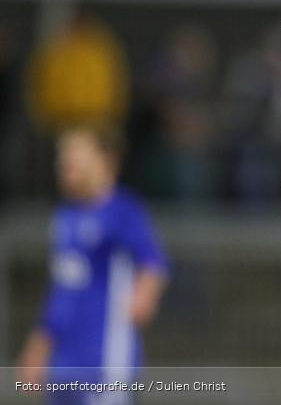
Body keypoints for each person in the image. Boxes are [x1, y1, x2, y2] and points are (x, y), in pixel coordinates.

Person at [16, 125, 168, 405]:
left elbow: (152, 262)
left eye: (75, 150)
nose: (64, 159)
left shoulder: (122, 211)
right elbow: (62, 290)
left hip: (104, 362)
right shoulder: (65, 217)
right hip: (63, 366)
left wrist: (146, 292)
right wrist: (40, 343)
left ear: (105, 160)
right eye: (62, 152)